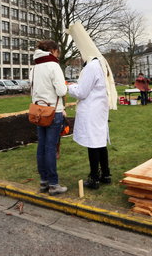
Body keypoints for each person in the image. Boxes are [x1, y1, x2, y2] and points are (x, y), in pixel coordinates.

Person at [67, 22, 118, 190]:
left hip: (92, 110)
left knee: (93, 144)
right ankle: (106, 174)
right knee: (100, 142)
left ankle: (94, 177)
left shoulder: (92, 66)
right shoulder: (102, 63)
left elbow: (81, 92)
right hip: (100, 109)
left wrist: (68, 86)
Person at [31, 40, 68, 196]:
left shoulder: (34, 67)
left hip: (38, 111)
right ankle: (53, 184)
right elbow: (61, 90)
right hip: (53, 111)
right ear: (53, 51)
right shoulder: (53, 66)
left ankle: (44, 181)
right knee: (51, 148)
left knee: (42, 147)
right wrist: (66, 86)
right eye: (58, 52)